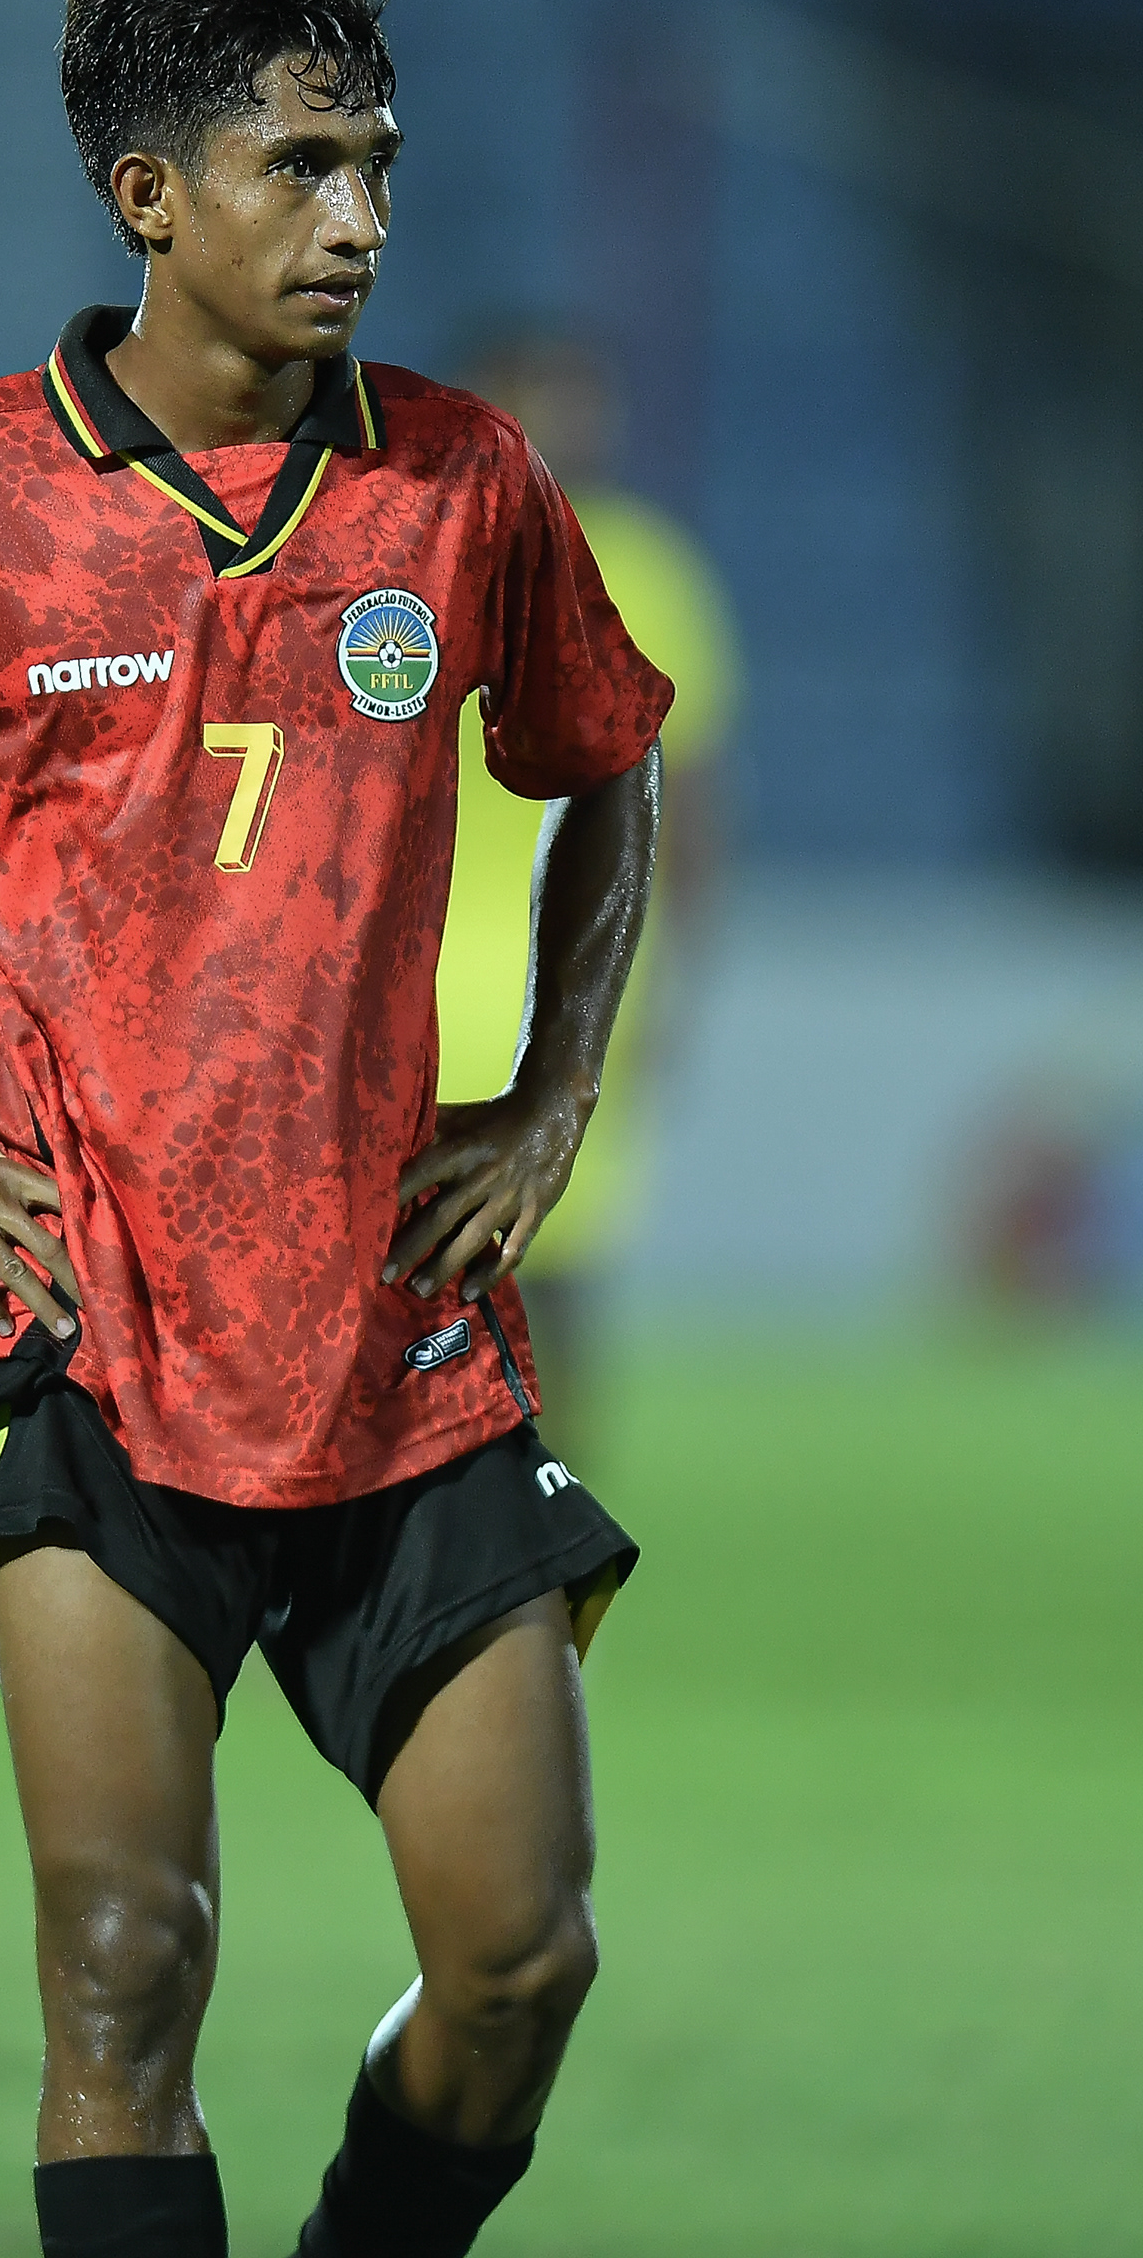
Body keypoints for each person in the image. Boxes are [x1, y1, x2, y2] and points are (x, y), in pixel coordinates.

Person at [0, 0, 674, 2258]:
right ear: (147, 196)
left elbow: (607, 754)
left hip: (394, 1340)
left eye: (377, 162)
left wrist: (551, 1093)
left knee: (520, 1957)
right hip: (91, 1335)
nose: (358, 215)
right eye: (299, 165)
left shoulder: (462, 486)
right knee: (126, 1957)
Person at [433, 330, 736, 1454]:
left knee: (551, 1267)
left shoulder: (647, 570)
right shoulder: (404, 544)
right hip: (409, 969)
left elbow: (687, 807)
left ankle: (544, 1500)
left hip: (571, 971)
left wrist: (676, 978)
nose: (561, 429)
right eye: (532, 401)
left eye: (577, 405)